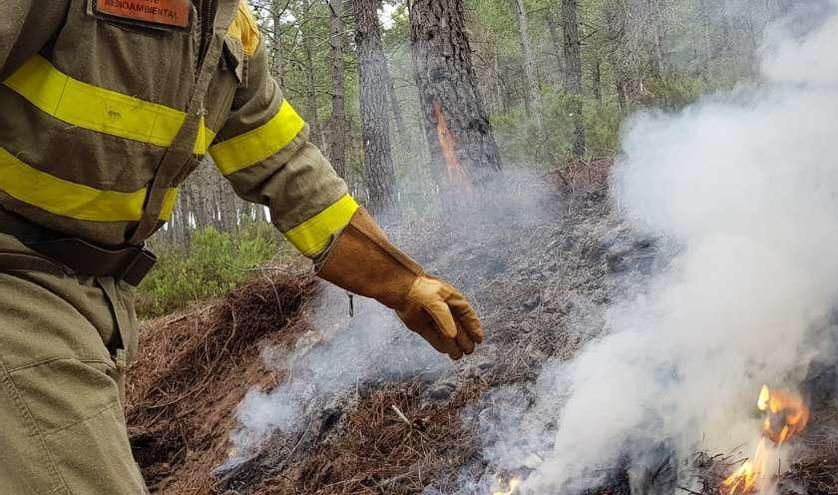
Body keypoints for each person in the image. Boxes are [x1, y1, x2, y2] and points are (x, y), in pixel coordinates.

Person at [0, 1, 484, 492]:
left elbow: (284, 165)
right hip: (16, 283)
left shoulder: (232, 30)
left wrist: (403, 284)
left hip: (98, 297)